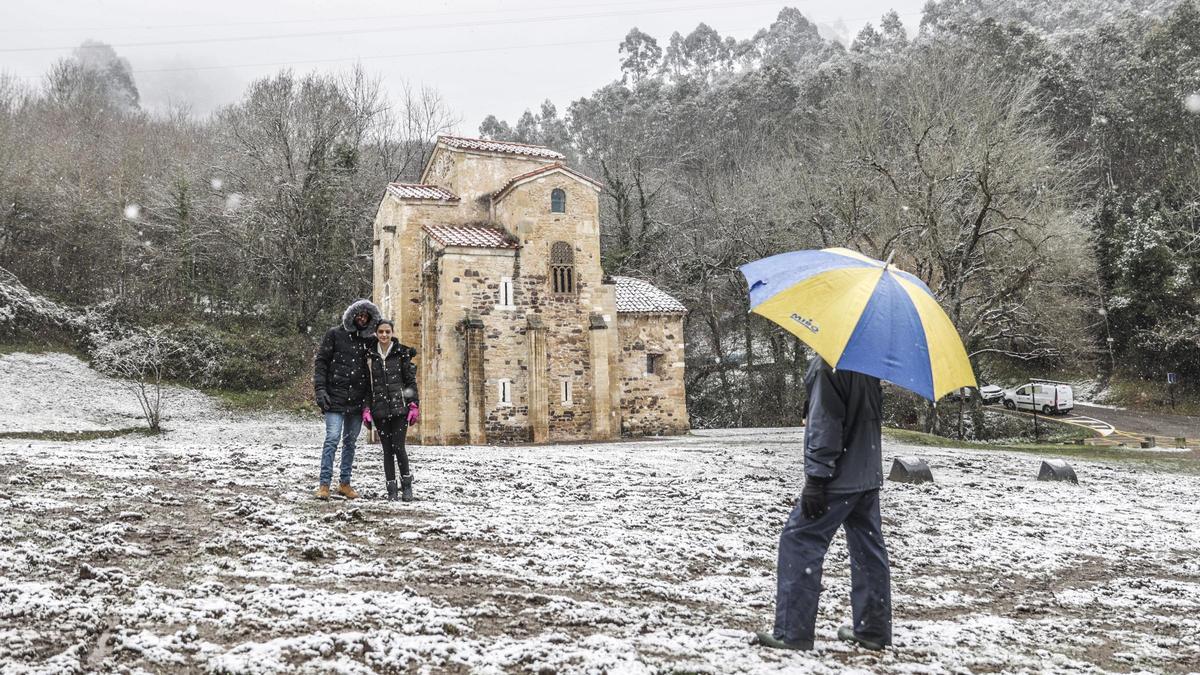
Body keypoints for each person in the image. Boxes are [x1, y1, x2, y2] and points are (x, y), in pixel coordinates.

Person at [756, 355, 893, 652]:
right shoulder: (866, 364)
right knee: (868, 548)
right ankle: (873, 629)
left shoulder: (827, 365)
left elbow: (827, 424)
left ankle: (791, 632)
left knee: (799, 539)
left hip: (838, 478)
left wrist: (816, 479)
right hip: (867, 474)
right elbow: (861, 412)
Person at [312, 299, 381, 500]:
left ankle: (345, 483)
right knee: (332, 440)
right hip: (334, 398)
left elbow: (386, 339)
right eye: (359, 315)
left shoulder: (368, 341)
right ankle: (324, 484)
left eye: (366, 317)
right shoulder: (335, 334)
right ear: (351, 315)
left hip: (357, 400)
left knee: (350, 442)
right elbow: (321, 362)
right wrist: (320, 389)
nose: (362, 319)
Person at [365, 319, 420, 502]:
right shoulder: (370, 356)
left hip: (399, 409)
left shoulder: (401, 353)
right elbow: (367, 385)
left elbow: (410, 381)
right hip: (379, 410)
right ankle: (391, 488)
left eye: (387, 331)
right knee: (387, 450)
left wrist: (413, 404)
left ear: (392, 332)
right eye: (380, 331)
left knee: (399, 447)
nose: (384, 335)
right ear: (376, 333)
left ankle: (407, 484)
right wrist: (366, 408)